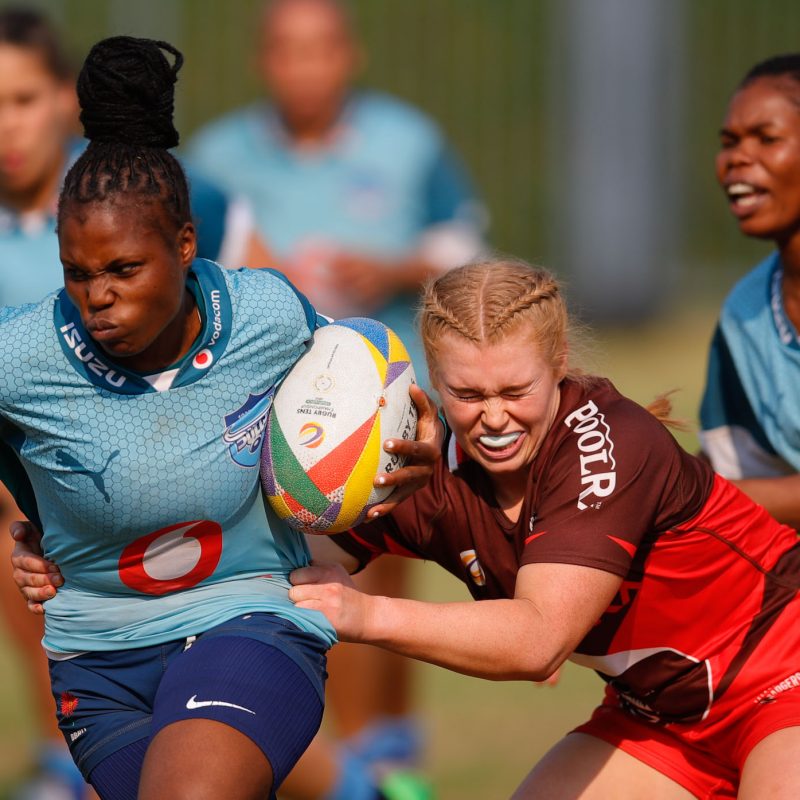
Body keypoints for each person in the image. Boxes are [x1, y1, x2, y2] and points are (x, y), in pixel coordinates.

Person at [21, 258, 800, 798]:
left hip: (781, 676)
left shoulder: (606, 440)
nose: (493, 416)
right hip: (662, 717)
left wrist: (366, 615)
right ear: (428, 380)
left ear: (559, 362)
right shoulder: (411, 463)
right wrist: (76, 553)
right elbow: (280, 560)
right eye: (466, 392)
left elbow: (537, 642)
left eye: (515, 389)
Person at [0, 34, 437, 800]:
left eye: (124, 270)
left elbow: (362, 379)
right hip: (96, 666)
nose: (98, 295)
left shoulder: (267, 315)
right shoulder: (24, 353)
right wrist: (31, 515)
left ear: (186, 245)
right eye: (78, 274)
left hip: (250, 620)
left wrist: (419, 442)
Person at [187, 0, 485, 791]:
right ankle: (331, 756)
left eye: (321, 50)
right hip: (262, 402)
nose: (305, 68)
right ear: (264, 61)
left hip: (382, 396)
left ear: (348, 56)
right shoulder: (220, 154)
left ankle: (384, 747)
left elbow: (463, 238)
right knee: (290, 571)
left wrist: (388, 269)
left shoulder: (406, 139)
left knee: (382, 555)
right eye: (288, 51)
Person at [0, 10, 274, 799]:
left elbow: (283, 331)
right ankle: (60, 747)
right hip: (83, 569)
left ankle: (369, 766)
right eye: (76, 273)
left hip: (221, 521)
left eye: (21, 98)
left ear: (58, 98)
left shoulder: (139, 188)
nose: (7, 123)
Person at [699, 53, 800, 531]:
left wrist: (686, 494)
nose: (738, 158)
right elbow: (731, 466)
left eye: (767, 138)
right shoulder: (746, 309)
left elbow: (709, 490)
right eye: (729, 142)